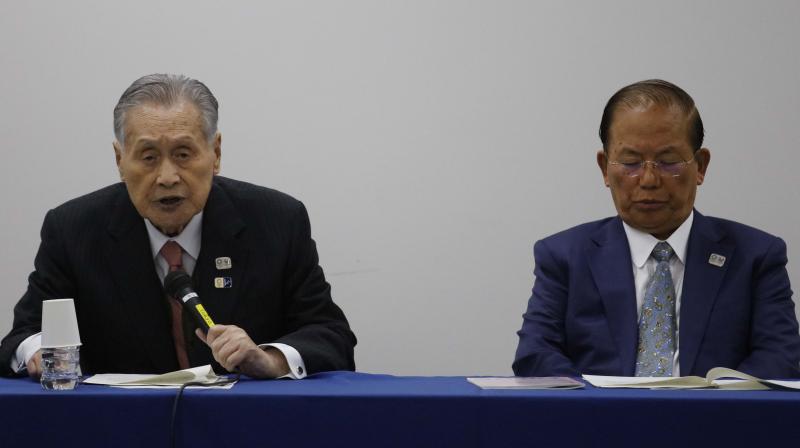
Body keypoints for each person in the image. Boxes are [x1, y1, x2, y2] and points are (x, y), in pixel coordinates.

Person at [0, 74, 356, 379]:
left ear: (215, 153)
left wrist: (270, 359)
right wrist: (38, 351)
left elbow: (331, 335)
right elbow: (22, 337)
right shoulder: (73, 230)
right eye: (149, 157)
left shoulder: (277, 221)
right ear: (120, 160)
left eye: (184, 154)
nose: (167, 177)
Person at [513, 79, 800, 378]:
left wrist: (709, 409)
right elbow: (536, 355)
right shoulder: (564, 257)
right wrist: (600, 409)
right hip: (599, 421)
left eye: (668, 161)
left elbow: (779, 356)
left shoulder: (756, 257)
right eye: (630, 162)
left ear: (700, 166)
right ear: (604, 168)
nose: (648, 179)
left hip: (715, 421)